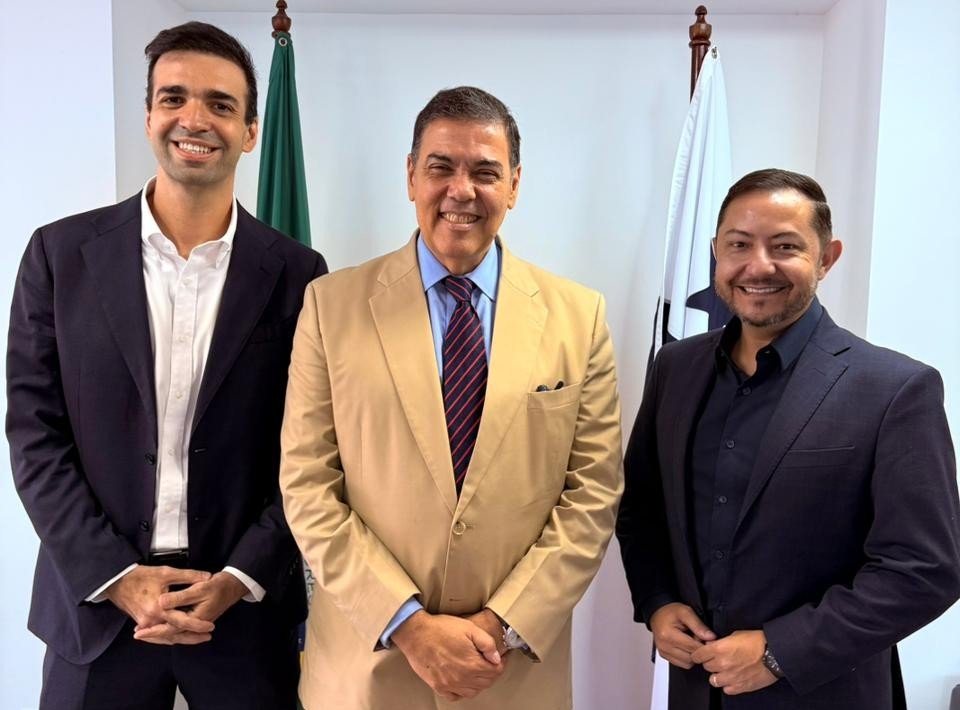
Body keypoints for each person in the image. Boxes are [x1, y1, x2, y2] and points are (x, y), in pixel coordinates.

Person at [7, 21, 327, 710]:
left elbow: (312, 449)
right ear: (149, 115)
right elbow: (35, 434)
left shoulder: (300, 276)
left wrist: (243, 575)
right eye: (174, 97)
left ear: (250, 131)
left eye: (220, 104)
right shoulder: (59, 257)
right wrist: (116, 576)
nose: (194, 119)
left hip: (241, 616)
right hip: (97, 613)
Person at [279, 85, 623, 709]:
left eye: (485, 172)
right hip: (365, 674)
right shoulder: (330, 306)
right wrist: (408, 625)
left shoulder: (580, 316)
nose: (461, 191)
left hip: (511, 676)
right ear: (411, 176)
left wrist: (499, 628)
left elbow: (592, 495)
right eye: (441, 167)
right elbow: (308, 485)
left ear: (514, 185)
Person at [616, 168, 960, 710]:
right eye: (739, 245)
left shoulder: (895, 389)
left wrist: (781, 651)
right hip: (696, 691)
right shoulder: (675, 368)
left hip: (826, 694)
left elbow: (925, 570)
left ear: (826, 258)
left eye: (785, 246)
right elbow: (642, 509)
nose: (758, 266)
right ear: (716, 253)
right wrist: (657, 601)